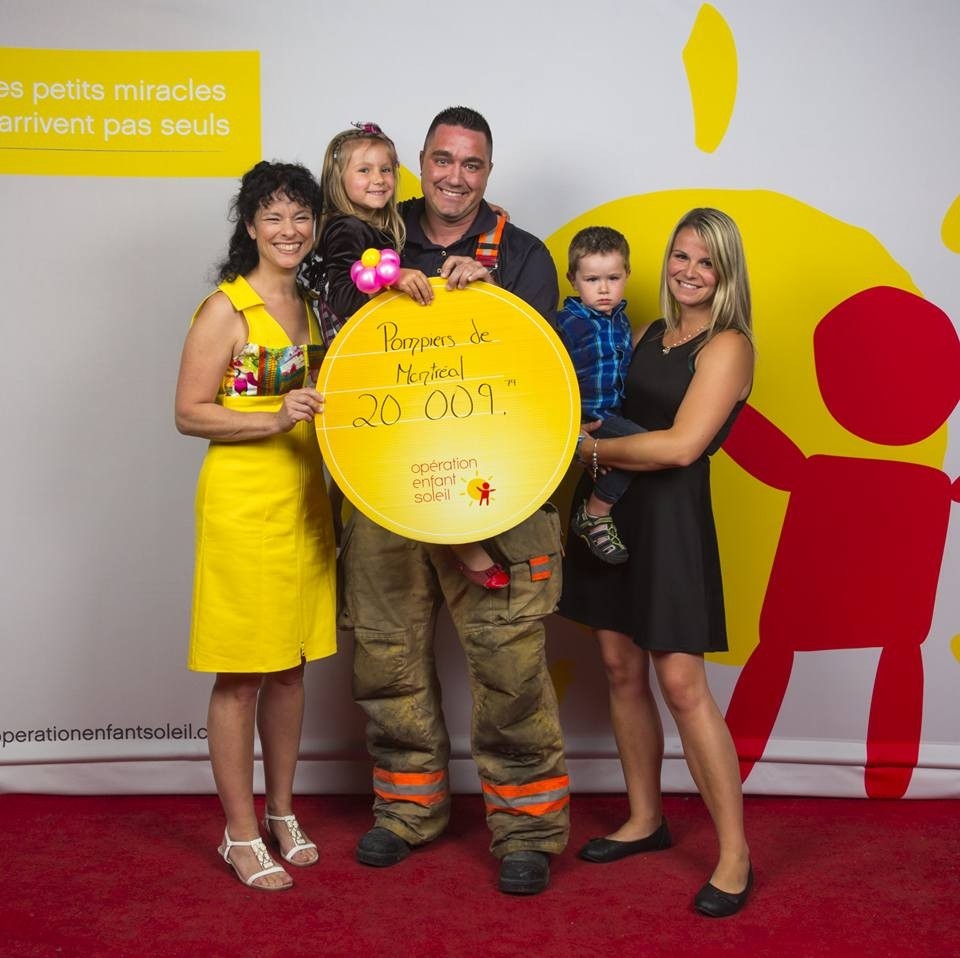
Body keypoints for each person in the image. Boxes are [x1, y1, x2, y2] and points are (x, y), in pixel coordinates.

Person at [339, 106, 569, 896]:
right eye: (442, 159)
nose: (454, 176)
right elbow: (332, 319)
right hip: (385, 485)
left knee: (511, 663)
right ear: (421, 162)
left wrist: (496, 303)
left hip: (493, 494)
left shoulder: (525, 257)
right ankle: (407, 809)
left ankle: (527, 828)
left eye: (472, 164)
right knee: (387, 654)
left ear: (488, 172)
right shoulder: (374, 234)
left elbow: (541, 383)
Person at [558, 208, 755, 918]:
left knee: (682, 685)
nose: (690, 272)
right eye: (681, 256)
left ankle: (735, 855)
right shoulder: (642, 332)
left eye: (706, 261)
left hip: (669, 523)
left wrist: (590, 450)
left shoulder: (729, 346)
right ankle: (645, 818)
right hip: (613, 515)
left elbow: (680, 447)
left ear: (726, 273)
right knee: (618, 668)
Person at [174, 161, 337, 891]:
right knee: (242, 673)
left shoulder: (314, 303)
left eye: (301, 215)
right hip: (243, 506)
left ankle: (281, 812)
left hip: (304, 503)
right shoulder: (226, 309)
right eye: (273, 216)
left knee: (291, 666)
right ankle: (239, 834)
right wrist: (272, 419)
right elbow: (188, 412)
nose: (289, 230)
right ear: (249, 226)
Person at [307, 121, 508, 589]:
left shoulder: (380, 224)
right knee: (420, 435)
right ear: (338, 180)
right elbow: (344, 295)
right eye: (364, 171)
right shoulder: (345, 229)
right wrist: (391, 278)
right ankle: (461, 544)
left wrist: (492, 217)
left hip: (372, 360)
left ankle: (348, 515)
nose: (378, 179)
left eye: (386, 170)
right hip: (357, 364)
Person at [554, 226, 647, 565]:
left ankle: (597, 511)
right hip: (584, 419)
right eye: (592, 279)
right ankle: (594, 513)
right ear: (573, 279)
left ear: (627, 274)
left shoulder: (621, 322)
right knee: (643, 445)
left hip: (612, 415)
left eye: (613, 278)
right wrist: (571, 431)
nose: (604, 289)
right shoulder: (565, 325)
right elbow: (548, 381)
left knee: (643, 451)